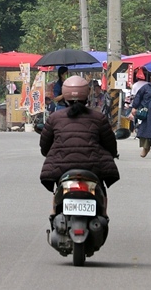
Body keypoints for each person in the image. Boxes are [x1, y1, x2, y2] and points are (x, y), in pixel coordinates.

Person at [38, 75, 120, 216]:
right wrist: (113, 154)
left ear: (64, 95)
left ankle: (54, 212)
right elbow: (110, 144)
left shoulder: (54, 118)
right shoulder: (98, 118)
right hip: (94, 168)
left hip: (61, 168)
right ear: (86, 95)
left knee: (59, 189)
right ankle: (104, 214)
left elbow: (45, 146)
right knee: (101, 190)